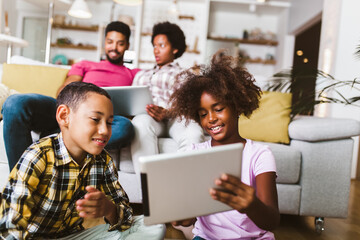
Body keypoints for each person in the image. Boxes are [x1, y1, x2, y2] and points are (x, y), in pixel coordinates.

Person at [0, 82, 165, 239]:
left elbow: (126, 216)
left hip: (72, 236)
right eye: (95, 119)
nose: (105, 130)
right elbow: (11, 226)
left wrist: (110, 209)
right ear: (64, 116)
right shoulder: (37, 156)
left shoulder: (102, 161)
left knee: (154, 226)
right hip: (30, 237)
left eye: (109, 123)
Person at [168, 52, 280, 239]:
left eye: (218, 109)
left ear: (236, 106)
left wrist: (251, 205)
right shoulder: (194, 153)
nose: (211, 119)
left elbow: (272, 221)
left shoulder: (260, 155)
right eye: (203, 114)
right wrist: (182, 217)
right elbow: (188, 220)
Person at [2, 21, 139, 171]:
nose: (114, 47)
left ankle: (55, 137)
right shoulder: (85, 65)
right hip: (70, 108)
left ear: (127, 45)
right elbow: (65, 89)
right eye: (110, 42)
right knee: (14, 103)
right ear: (104, 42)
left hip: (99, 119)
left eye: (120, 43)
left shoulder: (133, 74)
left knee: (125, 127)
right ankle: (21, 180)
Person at [131, 22, 204, 184]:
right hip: (148, 117)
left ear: (175, 48)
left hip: (174, 117)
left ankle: (183, 188)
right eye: (154, 46)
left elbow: (190, 103)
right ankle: (150, 189)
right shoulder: (141, 75)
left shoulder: (184, 75)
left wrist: (168, 112)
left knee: (193, 133)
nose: (156, 50)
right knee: (139, 123)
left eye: (162, 45)